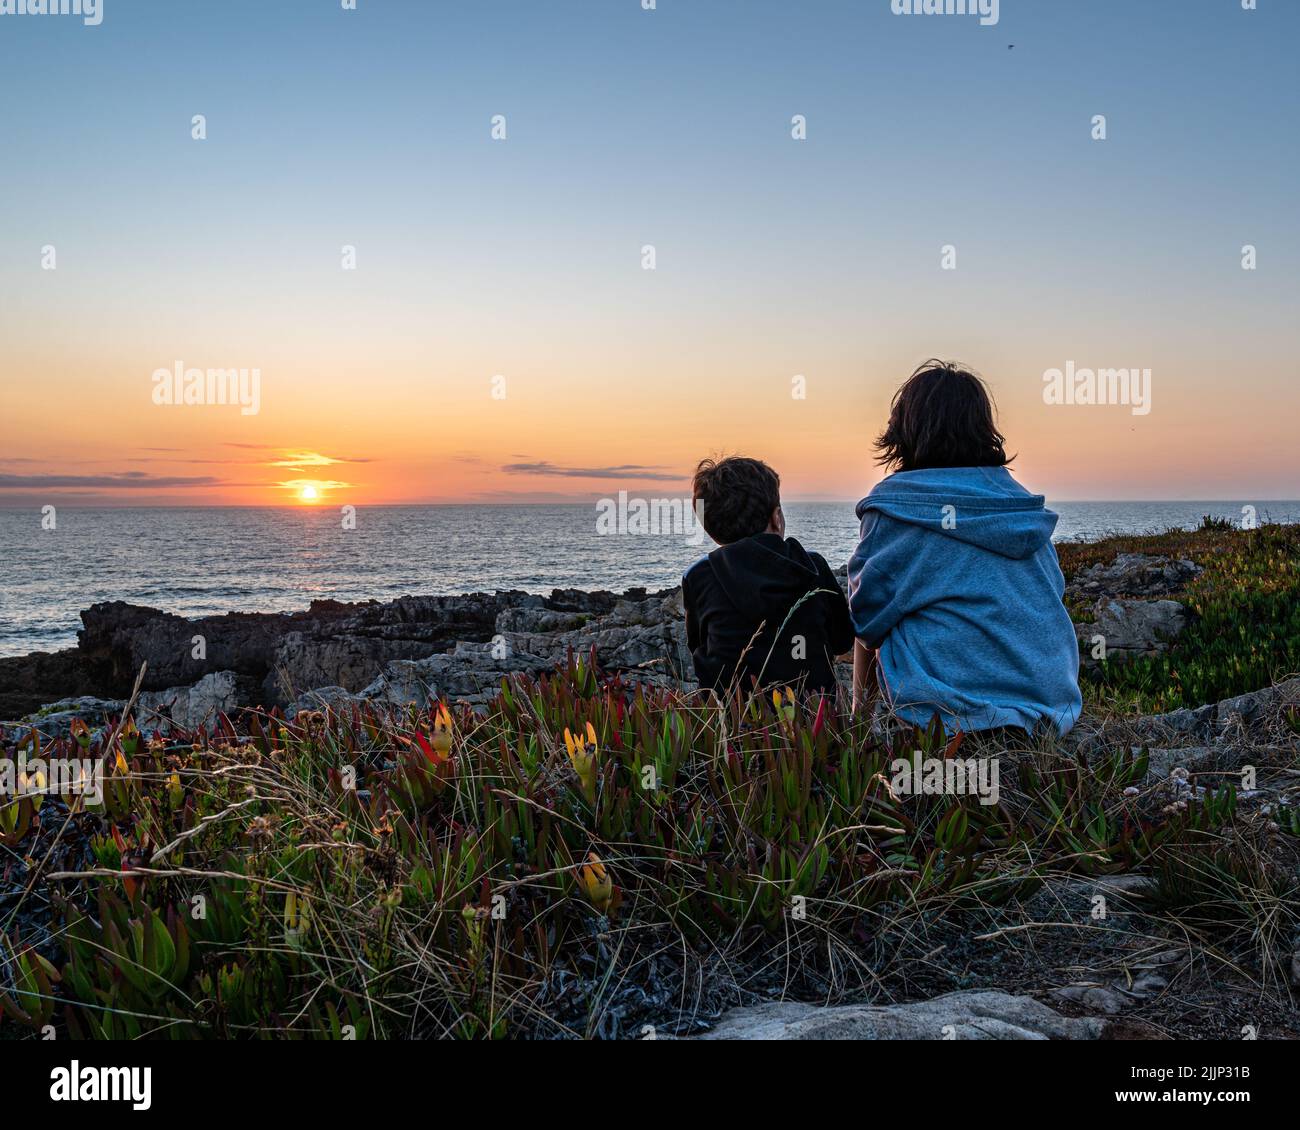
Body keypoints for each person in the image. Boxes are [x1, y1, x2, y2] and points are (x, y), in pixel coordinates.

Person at [848, 361, 1082, 735]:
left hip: (946, 716)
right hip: (1050, 709)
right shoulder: (1017, 506)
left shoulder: (896, 507)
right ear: (984, 429)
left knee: (881, 607)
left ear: (903, 428)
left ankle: (860, 719)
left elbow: (866, 620)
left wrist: (860, 710)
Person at [683, 456, 854, 696]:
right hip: (816, 723)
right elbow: (842, 640)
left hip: (732, 724)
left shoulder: (699, 578)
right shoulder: (811, 566)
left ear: (710, 529)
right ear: (776, 517)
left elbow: (698, 649)